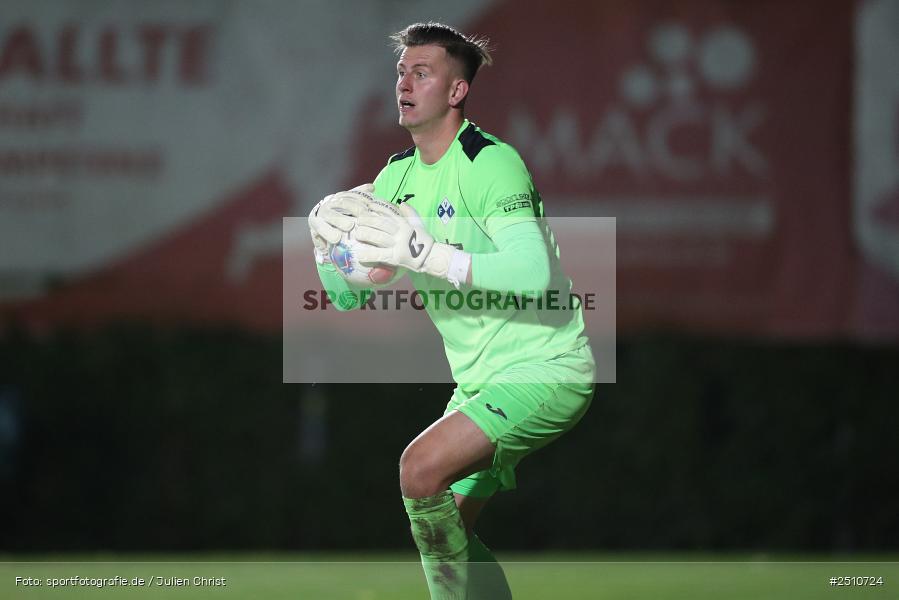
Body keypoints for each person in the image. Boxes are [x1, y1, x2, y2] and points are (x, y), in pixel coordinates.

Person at [308, 22, 595, 600]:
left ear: (457, 91)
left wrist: (431, 255)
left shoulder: (491, 163)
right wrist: (325, 248)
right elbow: (349, 295)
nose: (404, 83)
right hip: (481, 382)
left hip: (547, 366)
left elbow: (533, 274)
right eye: (400, 72)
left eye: (422, 72)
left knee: (418, 470)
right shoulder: (395, 179)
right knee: (447, 537)